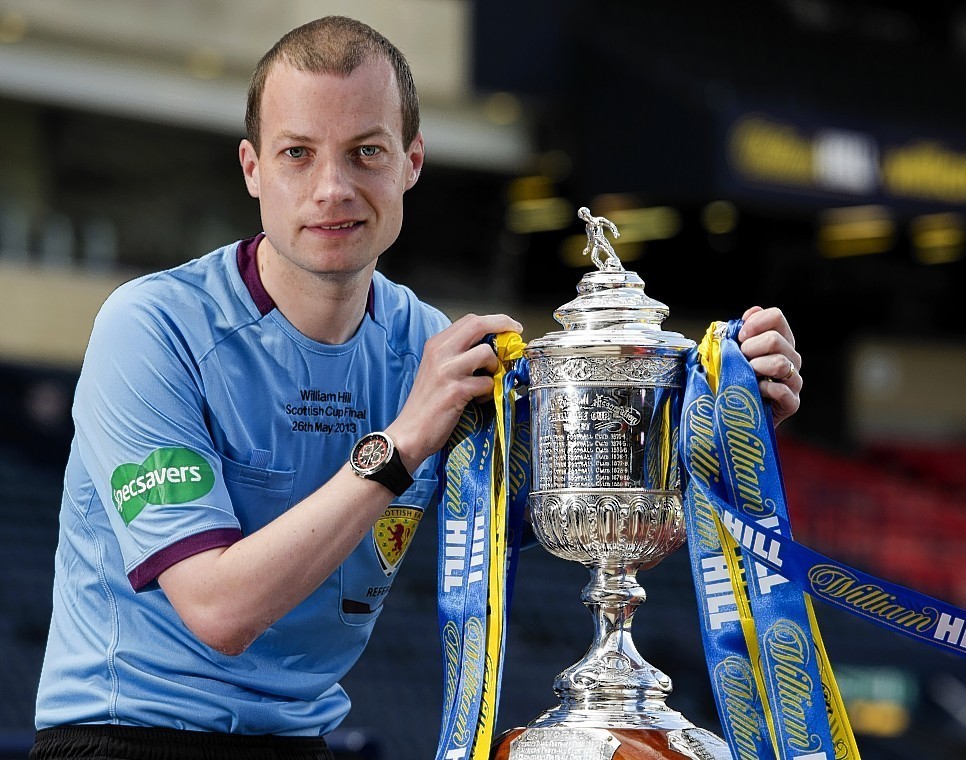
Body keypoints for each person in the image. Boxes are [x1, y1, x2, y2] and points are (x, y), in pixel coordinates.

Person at [29, 15, 803, 760]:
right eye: (298, 153)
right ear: (253, 168)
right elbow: (218, 611)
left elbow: (573, 505)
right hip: (126, 734)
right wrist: (401, 445)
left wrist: (721, 414)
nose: (332, 188)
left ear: (412, 162)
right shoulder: (152, 327)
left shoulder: (424, 343)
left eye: (365, 152)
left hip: (300, 740)